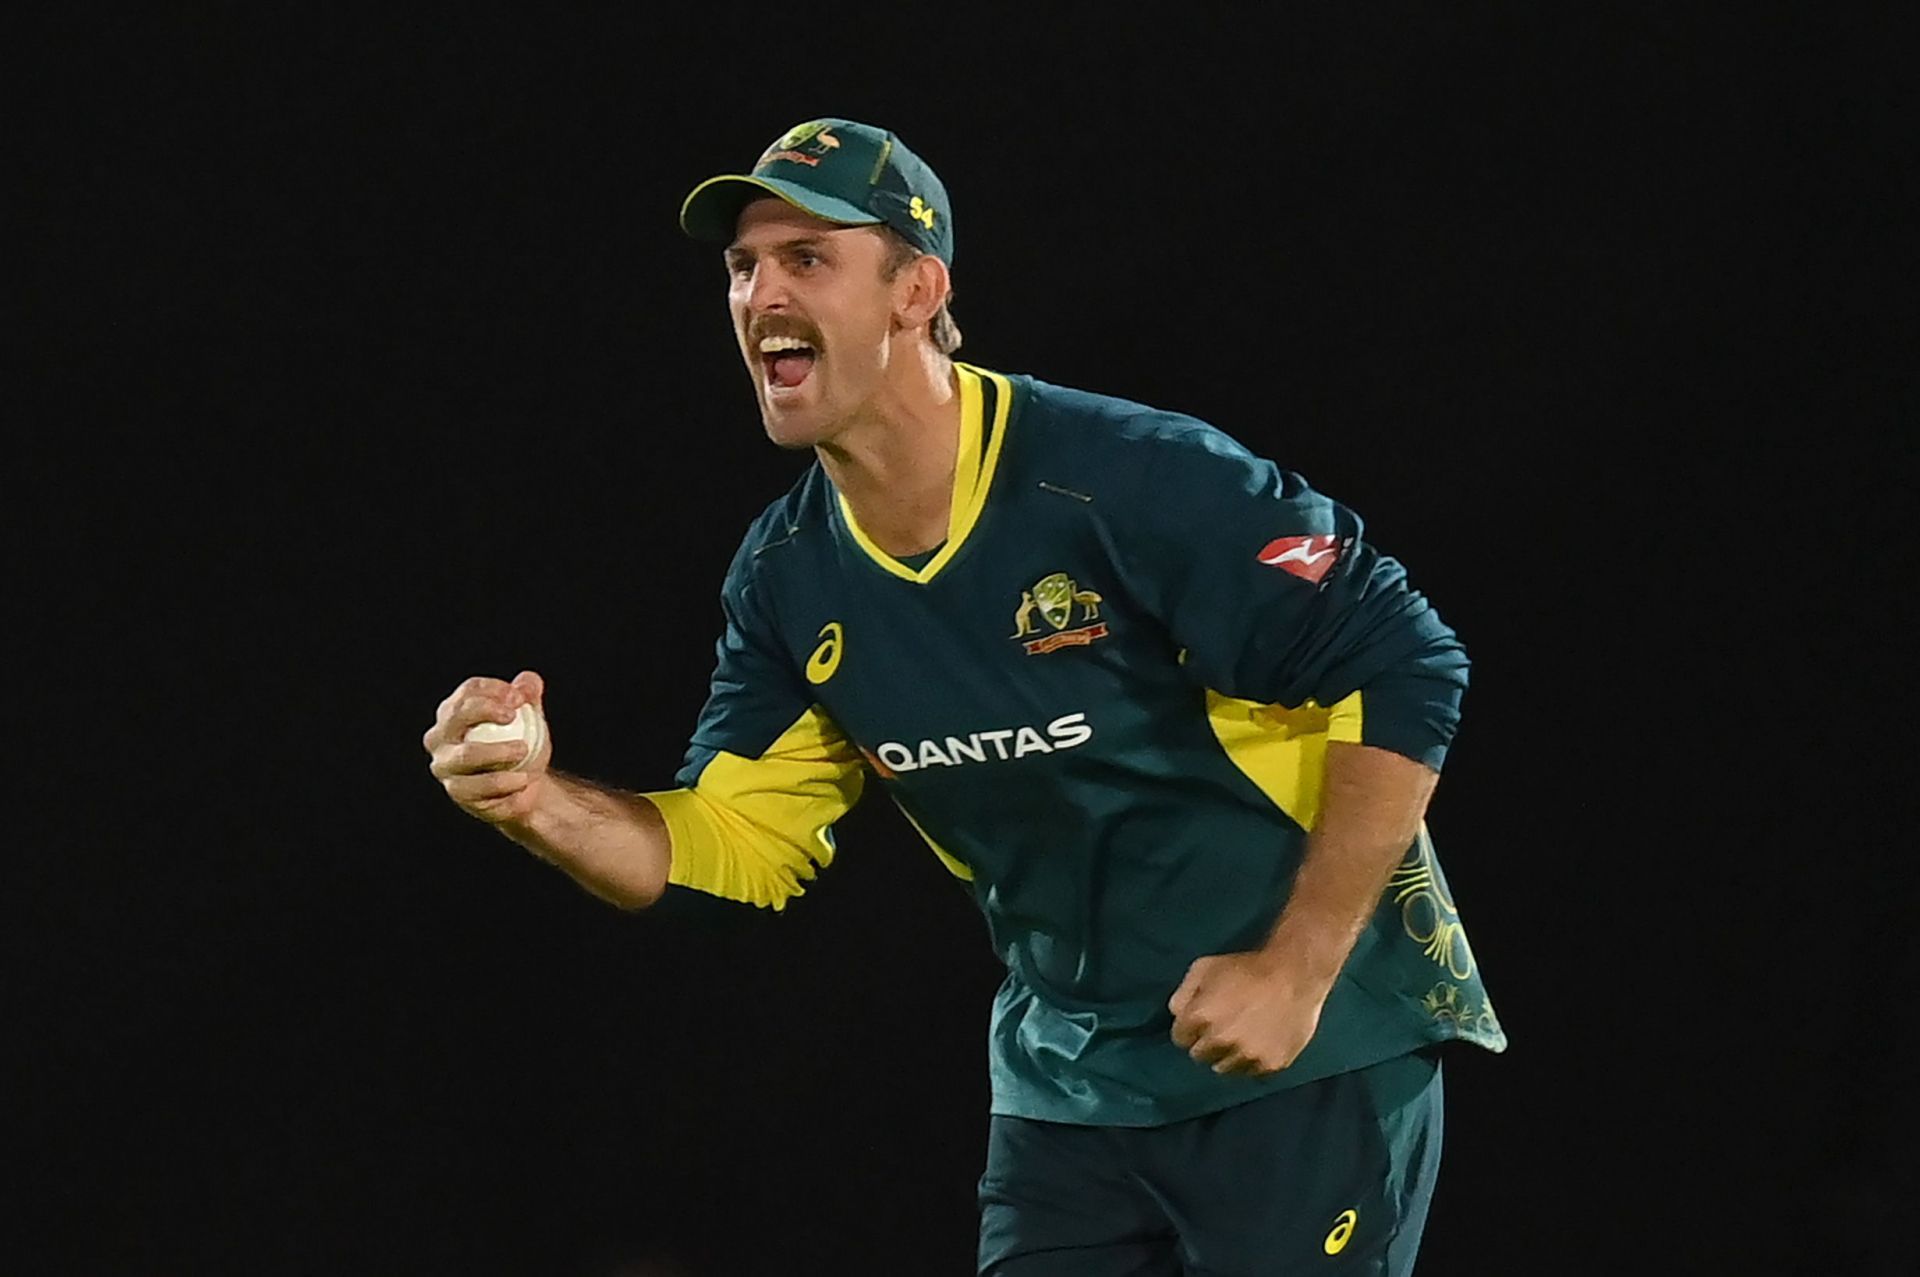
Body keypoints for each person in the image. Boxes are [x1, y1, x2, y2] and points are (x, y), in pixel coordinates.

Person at [423, 118, 1506, 1276]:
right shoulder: (788, 578)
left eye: (806, 257)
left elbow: (1405, 661)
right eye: (743, 266)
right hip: (1072, 1086)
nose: (759, 293)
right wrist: (534, 799)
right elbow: (733, 843)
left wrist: (1295, 966)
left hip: (1314, 1042)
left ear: (916, 288)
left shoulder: (1120, 473)